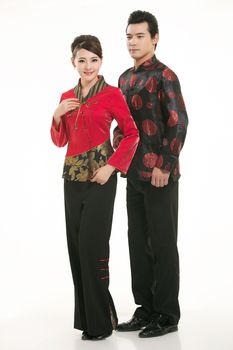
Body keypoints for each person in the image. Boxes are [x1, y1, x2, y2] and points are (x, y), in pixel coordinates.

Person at [50, 35, 139, 341]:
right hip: (72, 181)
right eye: (82, 60)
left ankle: (100, 323)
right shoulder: (66, 95)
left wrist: (111, 167)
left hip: (101, 179)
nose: (88, 66)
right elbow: (60, 141)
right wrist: (57, 114)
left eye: (94, 60)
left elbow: (131, 134)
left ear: (101, 61)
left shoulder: (112, 94)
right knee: (76, 250)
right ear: (73, 62)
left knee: (93, 248)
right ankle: (91, 319)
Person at [114, 11, 188, 338]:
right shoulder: (124, 79)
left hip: (159, 174)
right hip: (133, 174)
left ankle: (167, 314)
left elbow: (178, 121)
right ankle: (145, 308)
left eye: (140, 36)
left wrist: (165, 164)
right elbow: (124, 126)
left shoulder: (165, 76)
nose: (133, 41)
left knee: (162, 244)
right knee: (137, 244)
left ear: (154, 38)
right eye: (129, 36)